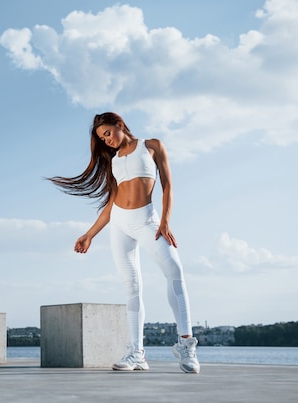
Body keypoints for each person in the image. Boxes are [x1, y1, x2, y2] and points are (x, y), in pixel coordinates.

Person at [48, 112, 200, 374]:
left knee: (175, 271)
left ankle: (186, 344)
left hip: (147, 222)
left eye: (107, 133)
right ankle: (136, 353)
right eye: (101, 138)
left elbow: (168, 187)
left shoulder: (152, 146)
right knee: (131, 285)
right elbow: (111, 204)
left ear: (119, 125)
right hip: (119, 223)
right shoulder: (114, 161)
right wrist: (89, 234)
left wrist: (165, 222)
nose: (106, 141)